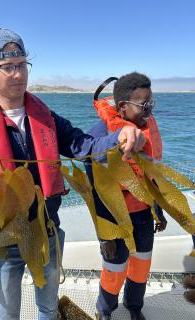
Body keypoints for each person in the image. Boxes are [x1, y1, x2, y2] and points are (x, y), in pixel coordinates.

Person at [0, 29, 146, 320]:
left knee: (48, 307)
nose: (18, 75)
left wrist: (121, 136)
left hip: (48, 232)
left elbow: (84, 146)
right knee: (6, 315)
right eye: (8, 67)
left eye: (22, 65)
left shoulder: (46, 117)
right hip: (4, 240)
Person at [84, 72, 167, 320]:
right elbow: (94, 192)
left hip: (143, 213)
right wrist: (103, 236)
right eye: (144, 104)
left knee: (141, 264)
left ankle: (135, 307)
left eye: (152, 102)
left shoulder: (147, 128)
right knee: (114, 267)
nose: (150, 109)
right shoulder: (99, 137)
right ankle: (105, 310)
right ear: (122, 106)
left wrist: (158, 209)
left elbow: (152, 177)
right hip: (114, 217)